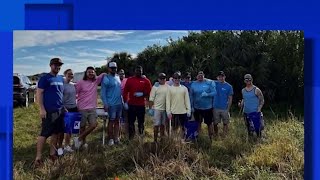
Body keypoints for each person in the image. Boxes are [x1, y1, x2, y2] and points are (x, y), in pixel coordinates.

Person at [34, 58, 65, 167]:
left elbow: (60, 94)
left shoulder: (61, 78)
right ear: (51, 65)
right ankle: (38, 157)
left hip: (59, 110)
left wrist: (63, 107)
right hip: (49, 111)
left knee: (55, 133)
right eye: (55, 65)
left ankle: (52, 153)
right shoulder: (45, 78)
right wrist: (42, 109)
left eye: (59, 65)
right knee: (44, 133)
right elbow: (39, 94)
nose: (58, 67)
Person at [74, 66, 106, 149]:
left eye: (92, 72)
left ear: (94, 73)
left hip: (92, 108)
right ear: (86, 73)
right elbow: (74, 93)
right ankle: (83, 143)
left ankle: (79, 138)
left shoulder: (96, 81)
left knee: (94, 124)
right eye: (89, 72)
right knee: (82, 127)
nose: (91, 73)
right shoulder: (81, 82)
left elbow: (103, 74)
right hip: (82, 108)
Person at [123, 66, 152, 139]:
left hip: (141, 105)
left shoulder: (146, 81)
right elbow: (125, 91)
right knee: (131, 122)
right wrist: (125, 102)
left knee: (141, 122)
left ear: (142, 71)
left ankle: (141, 137)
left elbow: (150, 92)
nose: (139, 72)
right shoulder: (130, 80)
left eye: (140, 71)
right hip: (131, 105)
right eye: (137, 71)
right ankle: (131, 138)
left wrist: (142, 94)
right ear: (134, 71)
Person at [101, 62, 123, 146]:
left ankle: (116, 138)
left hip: (119, 104)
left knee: (118, 121)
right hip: (111, 104)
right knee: (111, 121)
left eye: (115, 68)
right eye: (112, 68)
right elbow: (103, 93)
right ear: (109, 69)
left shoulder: (118, 77)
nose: (114, 69)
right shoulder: (106, 78)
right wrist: (105, 104)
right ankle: (110, 139)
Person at [190, 71, 216, 140]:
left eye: (202, 75)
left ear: (204, 76)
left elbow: (214, 92)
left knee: (209, 123)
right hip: (197, 108)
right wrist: (191, 106)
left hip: (207, 108)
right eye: (199, 75)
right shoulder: (193, 84)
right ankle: (198, 138)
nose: (200, 77)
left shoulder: (209, 82)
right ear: (196, 76)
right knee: (198, 123)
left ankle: (211, 138)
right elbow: (191, 96)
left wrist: (208, 94)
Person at [166, 71, 191, 141]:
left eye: (178, 78)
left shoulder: (184, 88)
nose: (177, 79)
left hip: (183, 112)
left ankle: (182, 142)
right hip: (173, 112)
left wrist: (188, 110)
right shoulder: (169, 89)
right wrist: (168, 112)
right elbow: (168, 101)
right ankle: (174, 143)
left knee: (183, 128)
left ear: (181, 79)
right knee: (174, 129)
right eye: (175, 78)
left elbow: (187, 101)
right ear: (173, 79)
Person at [58, 69, 77, 153]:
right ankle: (59, 146)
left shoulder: (73, 85)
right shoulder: (62, 85)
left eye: (72, 74)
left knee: (70, 129)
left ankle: (67, 145)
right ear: (65, 74)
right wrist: (62, 107)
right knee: (62, 129)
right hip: (65, 109)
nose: (71, 75)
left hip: (74, 108)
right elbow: (59, 97)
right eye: (69, 74)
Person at [148, 73, 169, 142]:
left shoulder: (168, 87)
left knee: (163, 125)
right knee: (156, 125)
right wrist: (150, 108)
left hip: (165, 109)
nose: (162, 80)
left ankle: (162, 140)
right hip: (157, 109)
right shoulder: (155, 87)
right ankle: (155, 140)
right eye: (161, 78)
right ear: (158, 79)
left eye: (164, 78)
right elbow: (151, 99)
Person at [213, 71, 233, 137]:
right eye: (219, 77)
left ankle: (225, 136)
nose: (221, 78)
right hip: (215, 107)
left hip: (225, 108)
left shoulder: (229, 86)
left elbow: (230, 98)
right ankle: (216, 135)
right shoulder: (214, 83)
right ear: (217, 78)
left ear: (225, 77)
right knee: (215, 123)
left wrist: (228, 109)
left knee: (225, 123)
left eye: (222, 76)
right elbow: (205, 80)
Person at [118, 69, 128, 137]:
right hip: (117, 102)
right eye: (120, 74)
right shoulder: (116, 80)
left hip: (126, 101)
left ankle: (125, 132)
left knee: (126, 117)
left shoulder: (127, 80)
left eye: (123, 73)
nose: (122, 75)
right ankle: (119, 133)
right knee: (119, 117)